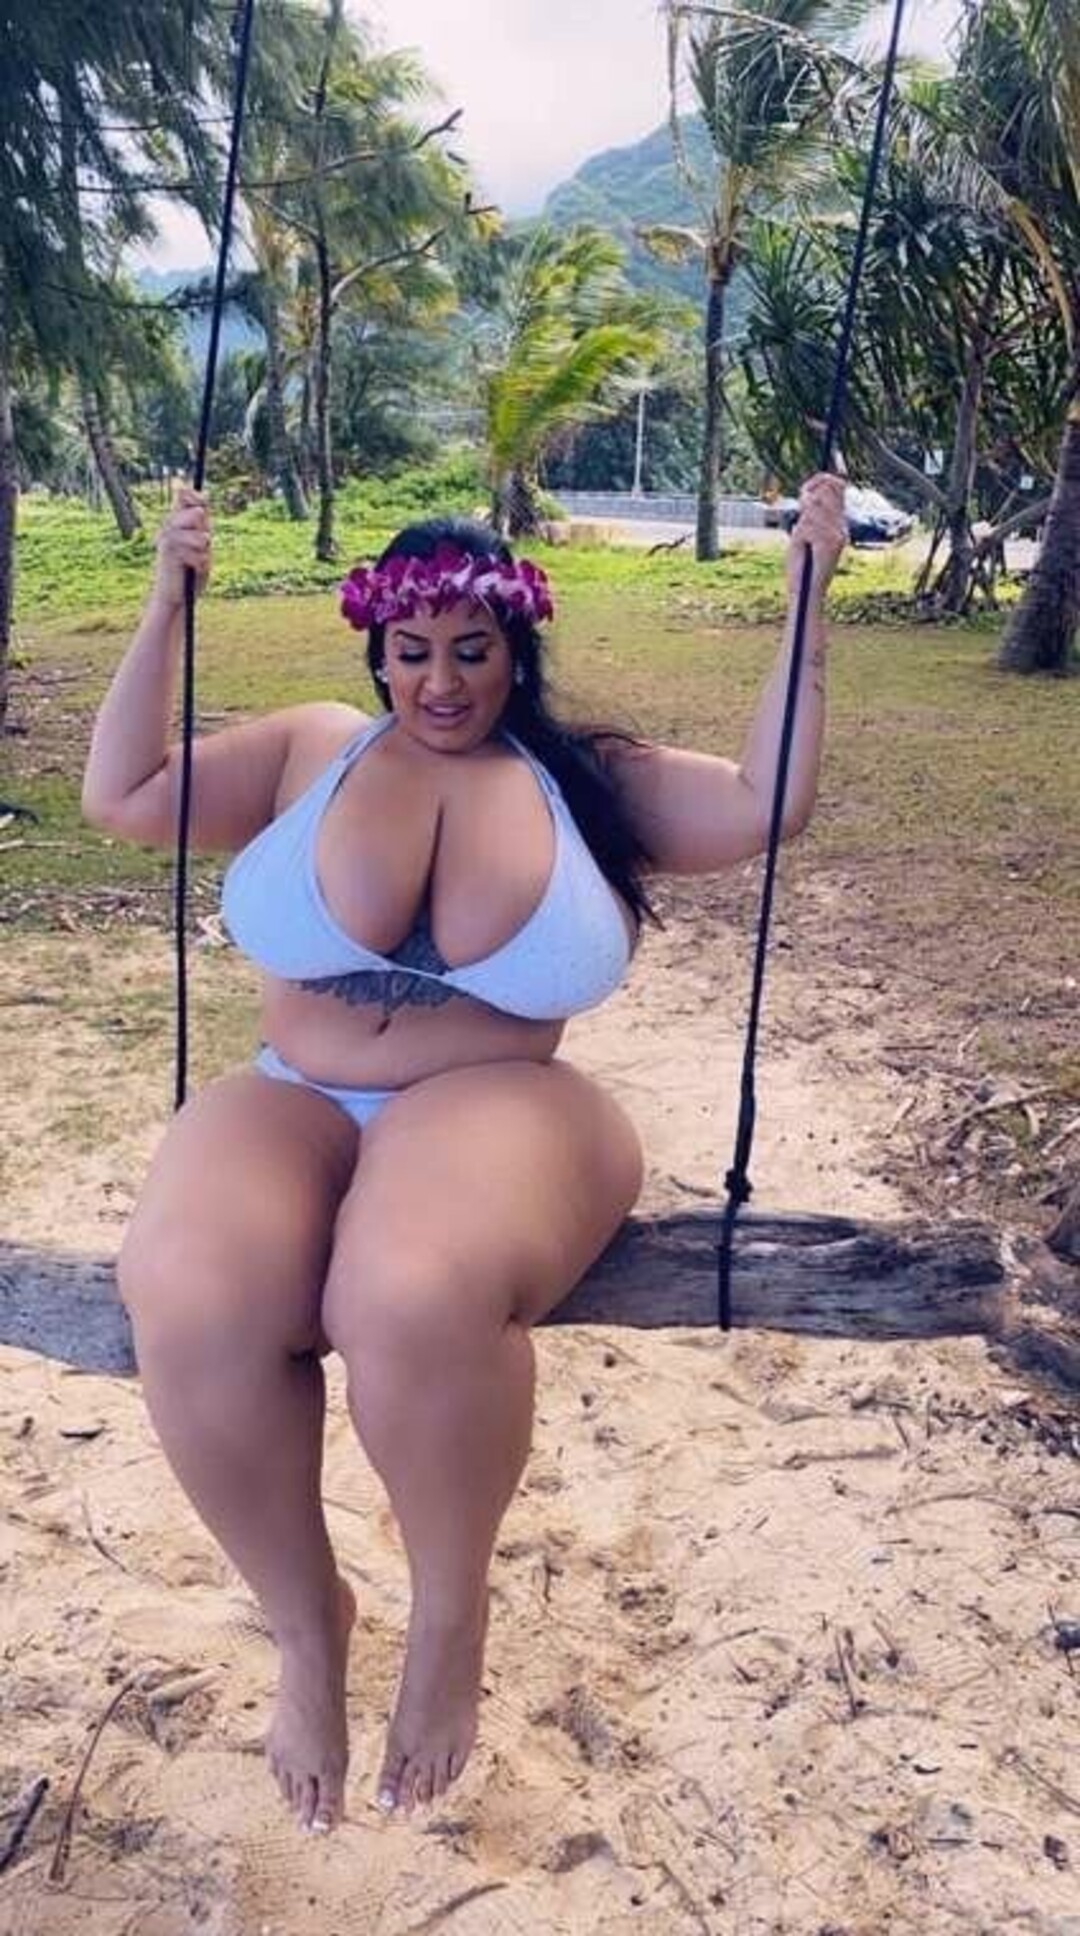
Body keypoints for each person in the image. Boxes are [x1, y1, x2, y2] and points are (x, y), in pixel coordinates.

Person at [81, 474, 847, 1837]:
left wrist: (808, 595)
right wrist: (166, 603)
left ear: (517, 649)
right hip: (293, 1094)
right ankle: (307, 1625)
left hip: (500, 1106)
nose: (441, 682)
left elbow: (765, 801)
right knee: (187, 1290)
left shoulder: (587, 779)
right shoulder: (310, 751)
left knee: (405, 1290)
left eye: (473, 651)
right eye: (413, 650)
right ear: (376, 650)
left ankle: (450, 1618)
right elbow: (123, 794)